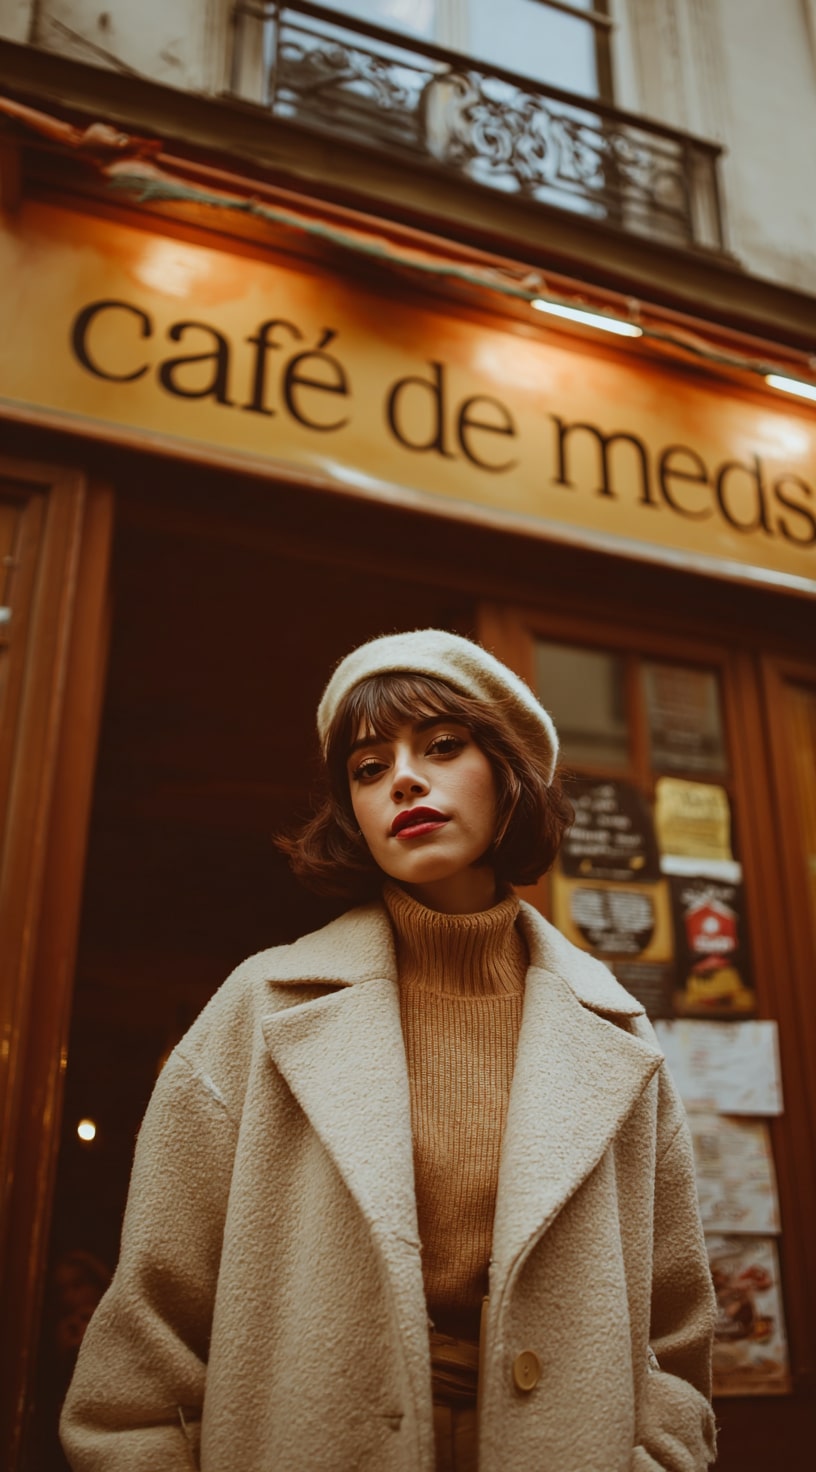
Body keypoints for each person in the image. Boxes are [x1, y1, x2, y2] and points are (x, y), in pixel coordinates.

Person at [60, 628, 717, 1472]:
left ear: (508, 773)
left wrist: (654, 1456)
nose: (404, 778)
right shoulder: (259, 1010)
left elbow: (677, 1334)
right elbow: (148, 1334)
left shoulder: (616, 1029)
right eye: (368, 769)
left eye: (443, 746)